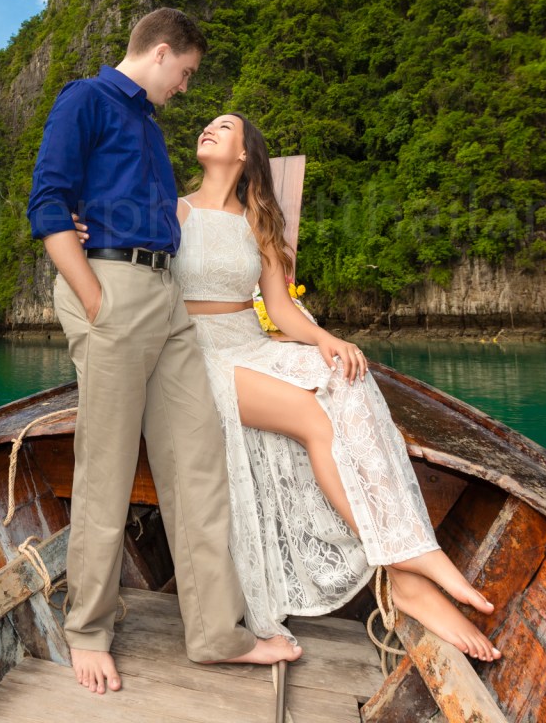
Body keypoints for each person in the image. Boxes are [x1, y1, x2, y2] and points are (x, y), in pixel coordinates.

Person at [74, 112, 502, 661]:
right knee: (311, 419)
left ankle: (406, 563)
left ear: (245, 153)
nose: (209, 129)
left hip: (250, 344)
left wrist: (325, 339)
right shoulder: (171, 211)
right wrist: (82, 226)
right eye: (207, 125)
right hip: (193, 354)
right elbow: (118, 245)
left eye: (224, 127)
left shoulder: (259, 222)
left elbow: (278, 308)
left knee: (347, 380)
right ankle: (409, 567)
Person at [26, 10, 301, 696]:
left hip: (165, 294)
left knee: (197, 460)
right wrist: (93, 295)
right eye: (186, 73)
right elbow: (49, 204)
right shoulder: (84, 99)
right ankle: (87, 629)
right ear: (160, 52)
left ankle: (216, 634)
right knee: (108, 464)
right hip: (113, 286)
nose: (185, 88)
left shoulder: (149, 125)